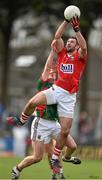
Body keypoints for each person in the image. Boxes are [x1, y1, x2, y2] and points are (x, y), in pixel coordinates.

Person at [8, 15, 87, 174]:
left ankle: (56, 158)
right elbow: (57, 37)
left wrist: (77, 30)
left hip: (69, 97)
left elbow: (84, 47)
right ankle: (22, 119)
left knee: (65, 132)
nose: (69, 42)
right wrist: (66, 21)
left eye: (72, 41)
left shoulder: (79, 57)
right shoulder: (62, 53)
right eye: (68, 41)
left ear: (76, 45)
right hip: (57, 90)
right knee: (32, 103)